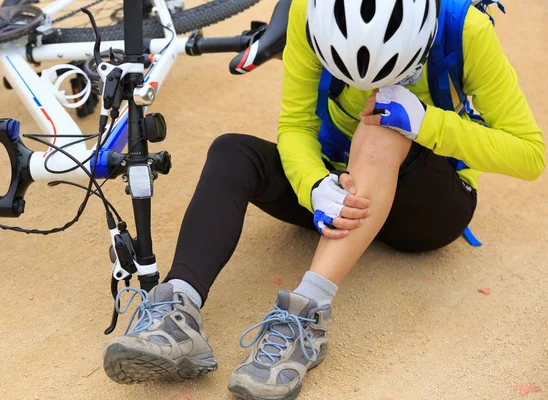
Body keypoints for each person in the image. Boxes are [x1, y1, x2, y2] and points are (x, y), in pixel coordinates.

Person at [102, 0, 545, 398]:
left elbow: (531, 154)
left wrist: (428, 123)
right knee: (231, 152)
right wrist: (314, 185)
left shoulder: (465, 26)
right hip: (342, 194)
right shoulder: (306, 9)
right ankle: (177, 311)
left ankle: (306, 317)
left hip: (428, 206)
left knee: (383, 124)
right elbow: (295, 124)